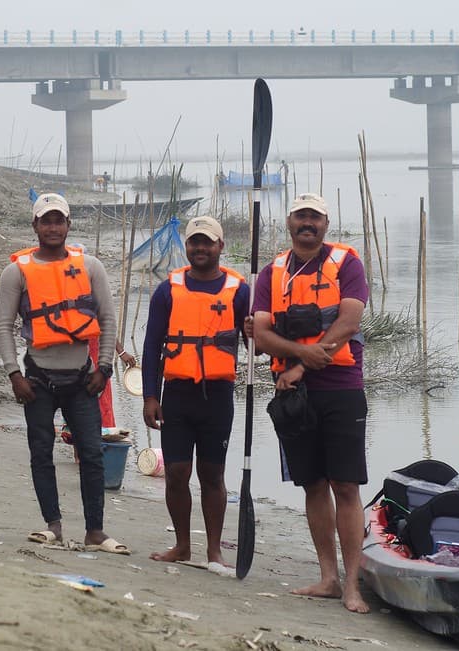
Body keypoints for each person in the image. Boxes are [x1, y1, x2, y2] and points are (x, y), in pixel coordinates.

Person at [251, 193, 370, 613]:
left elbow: (350, 319)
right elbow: (261, 335)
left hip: (341, 387)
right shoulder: (272, 273)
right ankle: (328, 578)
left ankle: (353, 585)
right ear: (289, 222)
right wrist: (299, 359)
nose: (308, 224)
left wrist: (303, 364)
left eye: (314, 218)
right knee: (313, 485)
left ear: (325, 223)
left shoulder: (346, 264)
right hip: (292, 396)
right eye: (301, 216)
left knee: (346, 485)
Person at [0, 192, 128, 553]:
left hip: (83, 379)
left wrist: (104, 367)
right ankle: (52, 525)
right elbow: (3, 326)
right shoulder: (17, 272)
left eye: (59, 220)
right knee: (41, 452)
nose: (53, 227)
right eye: (46, 220)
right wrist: (13, 374)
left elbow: (108, 319)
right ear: (35, 225)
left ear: (68, 225)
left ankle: (95, 531)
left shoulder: (90, 267)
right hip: (37, 379)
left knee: (92, 453)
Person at [142, 216, 248, 573]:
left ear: (221, 246)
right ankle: (183, 545)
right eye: (194, 242)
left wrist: (255, 328)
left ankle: (214, 550)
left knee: (212, 475)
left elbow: (257, 343)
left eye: (208, 242)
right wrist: (149, 396)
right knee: (175, 472)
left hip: (217, 396)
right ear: (187, 247)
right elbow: (152, 345)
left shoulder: (239, 290)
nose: (200, 248)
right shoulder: (167, 290)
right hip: (177, 393)